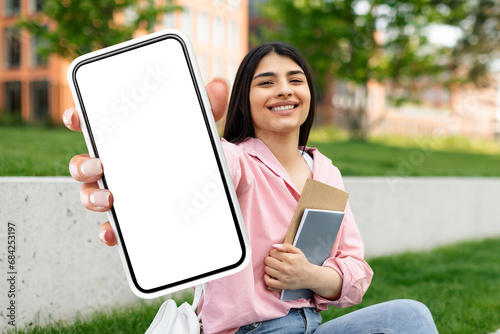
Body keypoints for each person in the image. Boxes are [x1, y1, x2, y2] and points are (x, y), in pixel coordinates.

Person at [63, 42, 439, 334]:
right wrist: (152, 142)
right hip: (248, 329)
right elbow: (203, 165)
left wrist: (309, 276)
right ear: (245, 96)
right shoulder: (237, 160)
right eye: (266, 82)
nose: (284, 90)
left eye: (295, 80)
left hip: (312, 327)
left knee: (409, 316)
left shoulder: (326, 172)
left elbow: (355, 272)